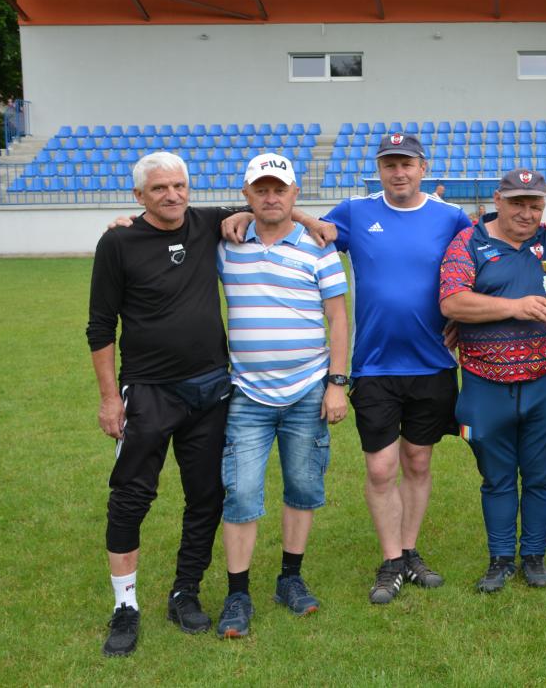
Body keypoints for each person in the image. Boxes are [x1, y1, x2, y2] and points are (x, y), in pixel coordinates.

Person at [87, 152, 235, 656]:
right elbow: (100, 326)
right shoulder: (118, 242)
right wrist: (110, 399)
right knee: (131, 497)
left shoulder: (208, 223)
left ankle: (184, 592)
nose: (172, 195)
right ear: (138, 196)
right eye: (159, 189)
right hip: (148, 391)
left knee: (206, 496)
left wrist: (309, 219)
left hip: (210, 388)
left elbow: (269, 206)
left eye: (179, 185)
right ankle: (125, 606)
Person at [322, 133, 472, 603]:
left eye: (407, 164)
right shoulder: (354, 212)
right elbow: (306, 231)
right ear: (380, 170)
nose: (399, 172)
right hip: (373, 365)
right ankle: (390, 561)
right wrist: (241, 215)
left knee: (418, 461)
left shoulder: (451, 217)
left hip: (433, 363)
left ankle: (409, 551)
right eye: (390, 164)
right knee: (382, 468)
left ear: (423, 168)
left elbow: (484, 259)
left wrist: (463, 320)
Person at [213, 153, 350, 638]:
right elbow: (171, 228)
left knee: (303, 487)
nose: (271, 198)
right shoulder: (227, 245)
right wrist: (124, 222)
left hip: (308, 391)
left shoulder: (319, 247)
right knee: (241, 492)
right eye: (261, 190)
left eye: (280, 189)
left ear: (294, 193)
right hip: (246, 393)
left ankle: (290, 578)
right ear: (247, 195)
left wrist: (336, 383)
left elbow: (338, 317)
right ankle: (238, 593)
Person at [439, 169, 546, 593]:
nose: (526, 213)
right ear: (498, 200)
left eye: (535, 205)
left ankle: (534, 556)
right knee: (496, 476)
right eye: (517, 204)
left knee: (542, 474)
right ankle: (500, 559)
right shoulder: (469, 242)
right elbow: (453, 301)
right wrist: (514, 307)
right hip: (484, 384)